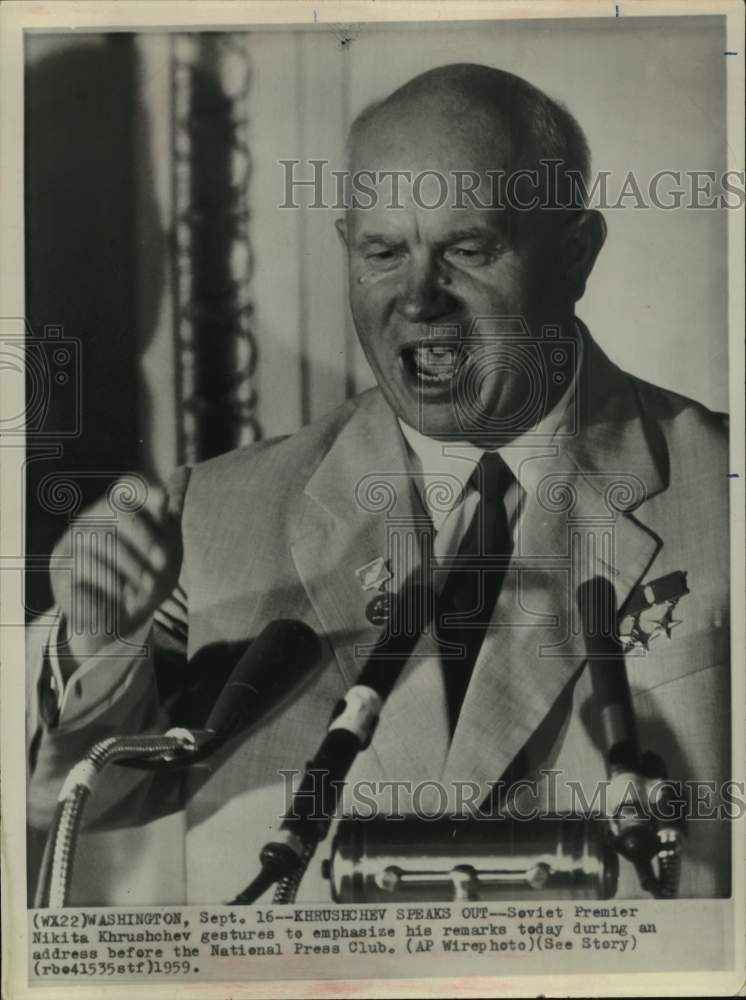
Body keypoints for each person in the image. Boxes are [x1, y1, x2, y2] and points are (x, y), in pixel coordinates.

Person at [26, 63, 730, 905]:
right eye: (383, 252)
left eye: (468, 250)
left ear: (576, 254)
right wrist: (94, 640)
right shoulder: (212, 514)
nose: (420, 298)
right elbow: (75, 797)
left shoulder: (723, 493)